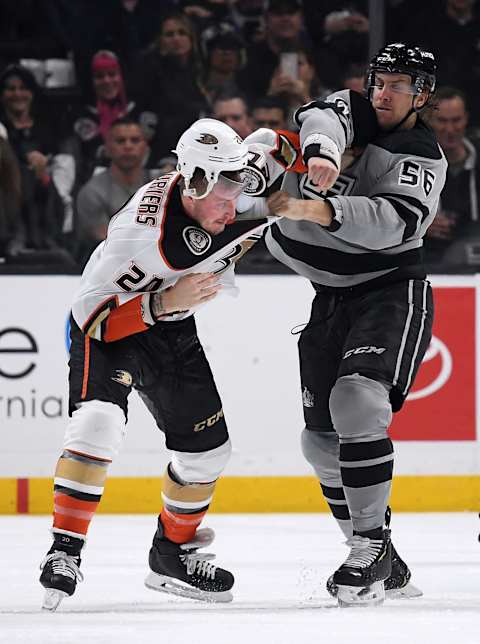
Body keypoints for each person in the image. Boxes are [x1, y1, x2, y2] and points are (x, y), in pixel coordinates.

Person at [38, 117, 289, 611]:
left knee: (208, 455)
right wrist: (159, 303)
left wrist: (318, 158)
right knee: (97, 422)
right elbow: (90, 320)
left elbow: (278, 144)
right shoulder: (140, 237)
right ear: (193, 181)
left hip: (173, 326)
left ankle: (171, 555)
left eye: (237, 186)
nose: (231, 202)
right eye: (221, 191)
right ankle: (63, 552)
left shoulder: (231, 182)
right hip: (114, 323)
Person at [247, 43, 447, 606]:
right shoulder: (348, 109)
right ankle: (380, 550)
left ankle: (364, 549)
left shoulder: (421, 153)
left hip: (390, 294)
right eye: (380, 81)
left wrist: (320, 209)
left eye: (400, 85)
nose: (385, 93)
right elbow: (319, 118)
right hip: (329, 299)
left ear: (421, 95)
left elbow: (395, 223)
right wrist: (323, 158)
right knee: (318, 443)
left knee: (358, 403)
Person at [75, 117, 159, 267]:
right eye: (120, 141)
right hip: (105, 270)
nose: (128, 146)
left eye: (135, 140)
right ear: (106, 149)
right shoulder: (92, 192)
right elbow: (108, 241)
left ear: (146, 147)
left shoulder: (161, 184)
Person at [424, 86, 480, 266]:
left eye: (456, 120)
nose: (450, 129)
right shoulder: (414, 162)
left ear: (466, 119)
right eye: (442, 121)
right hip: (430, 261)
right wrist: (420, 224)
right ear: (429, 121)